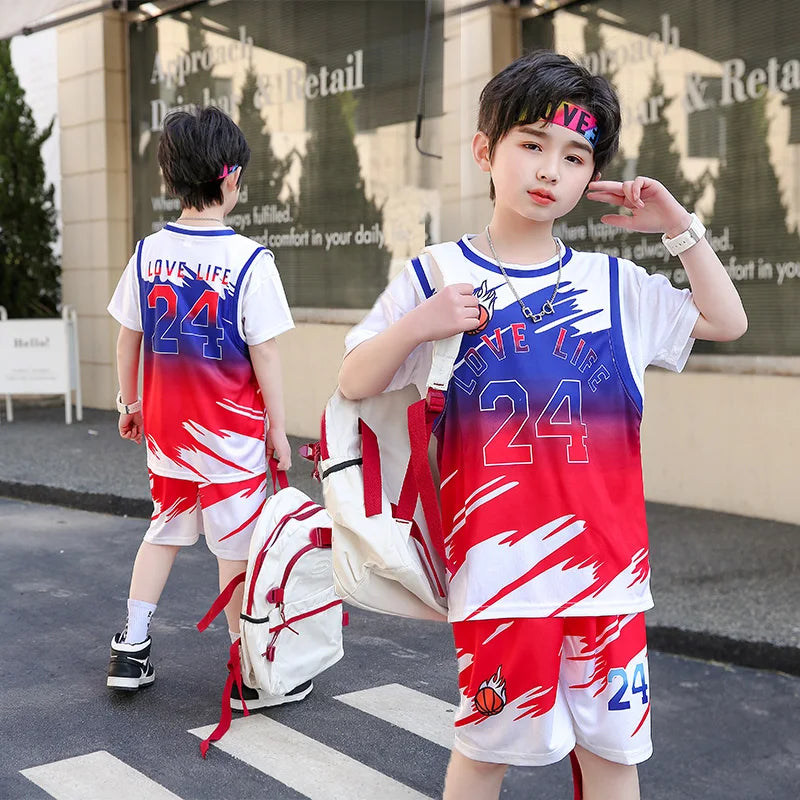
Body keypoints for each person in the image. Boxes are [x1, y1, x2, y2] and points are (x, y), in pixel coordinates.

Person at [338, 51, 746, 800]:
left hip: (608, 579)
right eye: (531, 143)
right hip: (497, 580)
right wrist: (419, 325)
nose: (550, 169)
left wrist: (679, 228)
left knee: (613, 757)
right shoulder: (436, 275)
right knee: (485, 751)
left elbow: (726, 320)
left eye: (575, 156)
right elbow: (354, 379)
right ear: (484, 150)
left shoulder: (615, 285)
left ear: (592, 176)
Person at [106, 107, 310, 711]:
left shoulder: (147, 254)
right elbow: (264, 352)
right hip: (230, 439)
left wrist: (129, 402)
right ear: (231, 178)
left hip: (168, 434)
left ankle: (131, 647)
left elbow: (127, 338)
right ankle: (247, 666)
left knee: (162, 532)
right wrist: (279, 430)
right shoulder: (250, 261)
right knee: (235, 550)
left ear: (172, 178)